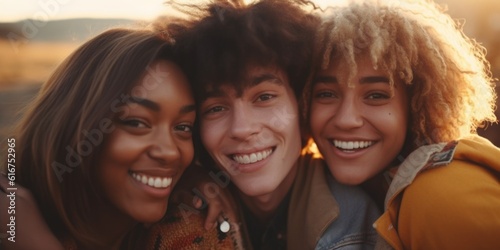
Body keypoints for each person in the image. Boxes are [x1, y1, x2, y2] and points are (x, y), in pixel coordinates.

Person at [0, 27, 240, 249]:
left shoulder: (190, 231)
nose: (170, 152)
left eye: (183, 127)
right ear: (75, 124)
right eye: (136, 123)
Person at [169, 0, 381, 249]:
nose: (242, 129)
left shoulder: (353, 223)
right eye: (216, 108)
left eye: (264, 97)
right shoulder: (185, 213)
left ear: (302, 108)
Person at [307, 0, 500, 249]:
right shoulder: (373, 187)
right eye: (326, 94)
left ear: (416, 104)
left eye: (376, 95)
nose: (346, 119)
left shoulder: (441, 198)